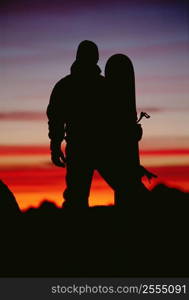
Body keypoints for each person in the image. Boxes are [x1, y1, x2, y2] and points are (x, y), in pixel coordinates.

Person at [47, 40, 105, 208]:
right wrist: (55, 146)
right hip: (92, 147)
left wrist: (55, 146)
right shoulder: (103, 85)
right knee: (76, 198)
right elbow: (56, 119)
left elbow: (56, 119)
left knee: (76, 197)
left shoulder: (65, 85)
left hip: (91, 147)